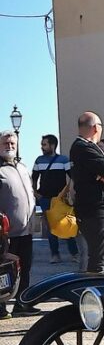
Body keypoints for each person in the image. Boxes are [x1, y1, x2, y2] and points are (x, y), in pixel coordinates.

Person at [69, 111, 104, 274]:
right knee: (98, 260)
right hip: (96, 213)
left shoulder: (88, 148)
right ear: (95, 128)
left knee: (102, 259)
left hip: (103, 211)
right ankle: (94, 295)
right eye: (101, 126)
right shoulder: (83, 148)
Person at [0, 128, 38, 315]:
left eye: (12, 144)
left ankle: (23, 303)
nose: (9, 146)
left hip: (26, 230)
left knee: (25, 268)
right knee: (3, 271)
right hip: (5, 233)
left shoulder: (22, 167)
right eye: (6, 143)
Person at [31, 133, 78, 262]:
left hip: (61, 199)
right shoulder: (38, 160)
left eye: (44, 144)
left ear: (52, 145)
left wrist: (68, 191)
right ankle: (55, 255)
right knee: (51, 227)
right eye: (42, 145)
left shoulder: (63, 160)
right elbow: (34, 178)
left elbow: (72, 177)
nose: (42, 147)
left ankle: (74, 254)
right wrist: (35, 193)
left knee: (67, 224)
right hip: (45, 198)